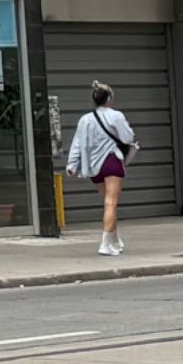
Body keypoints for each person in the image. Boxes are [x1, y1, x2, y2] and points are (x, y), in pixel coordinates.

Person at [64, 82, 137, 255]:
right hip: (111, 161)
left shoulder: (85, 119)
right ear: (109, 98)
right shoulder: (116, 116)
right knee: (111, 202)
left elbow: (77, 143)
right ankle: (105, 243)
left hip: (93, 166)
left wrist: (72, 164)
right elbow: (128, 138)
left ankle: (115, 239)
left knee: (108, 202)